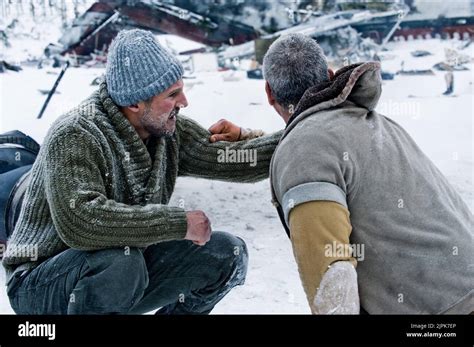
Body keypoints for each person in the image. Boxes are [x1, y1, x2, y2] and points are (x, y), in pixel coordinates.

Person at [2, 29, 281, 314]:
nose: (184, 102)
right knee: (121, 263)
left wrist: (307, 128)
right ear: (135, 102)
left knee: (226, 252)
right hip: (42, 282)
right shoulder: (75, 133)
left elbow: (235, 161)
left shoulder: (166, 131)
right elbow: (81, 222)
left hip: (119, 273)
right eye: (173, 94)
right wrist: (177, 223)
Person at [261, 34, 473, 314]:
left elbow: (331, 279)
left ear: (268, 93)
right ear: (329, 75)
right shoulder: (379, 126)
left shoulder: (303, 151)